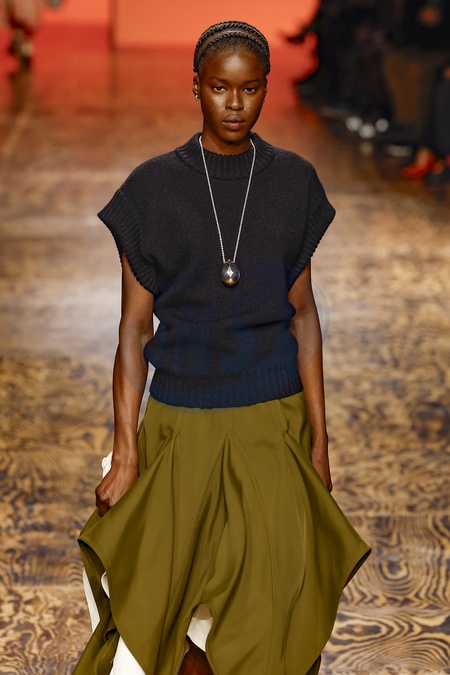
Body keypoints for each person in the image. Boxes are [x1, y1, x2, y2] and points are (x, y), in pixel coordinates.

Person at [73, 20, 370, 675]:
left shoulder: (293, 183)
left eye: (250, 89)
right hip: (181, 427)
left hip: (273, 423)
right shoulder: (151, 190)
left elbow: (304, 316)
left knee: (277, 608)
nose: (234, 104)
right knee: (170, 618)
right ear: (196, 87)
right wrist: (127, 451)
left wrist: (320, 445)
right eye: (219, 88)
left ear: (266, 87)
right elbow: (133, 329)